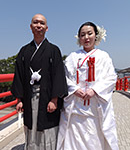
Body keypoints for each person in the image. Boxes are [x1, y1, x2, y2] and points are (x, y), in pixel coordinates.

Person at [56, 22, 119, 150]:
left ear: (96, 35)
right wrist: (74, 89)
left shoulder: (104, 56)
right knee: (74, 136)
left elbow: (111, 77)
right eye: (83, 35)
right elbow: (64, 77)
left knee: (95, 136)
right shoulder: (72, 57)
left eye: (89, 33)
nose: (86, 37)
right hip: (76, 104)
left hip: (96, 104)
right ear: (79, 38)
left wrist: (95, 90)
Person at [11, 14, 68, 150]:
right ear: (30, 27)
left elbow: (59, 75)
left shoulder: (54, 50)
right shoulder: (24, 51)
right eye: (35, 23)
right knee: (31, 128)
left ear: (47, 28)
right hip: (29, 97)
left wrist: (54, 99)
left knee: (48, 129)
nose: (39, 26)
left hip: (47, 97)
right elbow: (18, 75)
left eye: (42, 23)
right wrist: (19, 99)